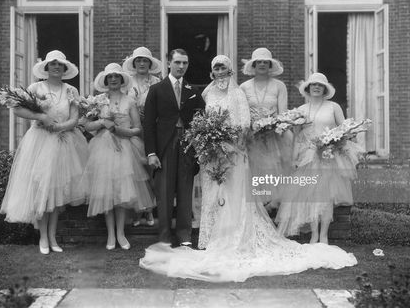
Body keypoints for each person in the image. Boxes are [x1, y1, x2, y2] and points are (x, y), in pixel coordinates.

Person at [139, 56, 357, 282]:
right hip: (212, 155)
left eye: (224, 68)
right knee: (213, 195)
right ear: (212, 72)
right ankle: (211, 238)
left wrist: (229, 143)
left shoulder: (238, 94)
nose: (220, 72)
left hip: (233, 153)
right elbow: (199, 120)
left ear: (230, 71)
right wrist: (209, 141)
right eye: (217, 68)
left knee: (234, 195)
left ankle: (235, 236)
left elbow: (244, 125)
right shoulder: (205, 94)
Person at [0, 50, 88, 254]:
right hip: (39, 142)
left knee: (56, 193)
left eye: (60, 65)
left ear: (65, 68)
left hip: (63, 141)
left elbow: (75, 118)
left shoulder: (70, 90)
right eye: (52, 64)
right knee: (42, 190)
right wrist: (41, 117)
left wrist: (59, 127)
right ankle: (43, 238)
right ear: (46, 68)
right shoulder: (35, 87)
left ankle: (53, 237)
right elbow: (17, 109)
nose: (56, 67)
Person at [276, 72, 361, 244]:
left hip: (328, 156)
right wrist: (294, 159)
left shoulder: (333, 107)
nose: (316, 87)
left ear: (324, 89)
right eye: (313, 85)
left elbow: (345, 130)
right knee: (311, 195)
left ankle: (324, 235)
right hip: (307, 156)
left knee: (326, 195)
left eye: (319, 85)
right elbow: (297, 138)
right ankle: (314, 234)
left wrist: (332, 143)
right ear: (307, 89)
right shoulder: (301, 111)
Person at [80, 63, 155, 250]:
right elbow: (86, 126)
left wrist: (121, 129)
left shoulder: (129, 101)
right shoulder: (98, 100)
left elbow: (138, 128)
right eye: (110, 77)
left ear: (122, 80)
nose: (113, 79)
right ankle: (111, 235)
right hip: (102, 149)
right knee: (107, 192)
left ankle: (121, 233)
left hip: (125, 148)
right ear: (106, 80)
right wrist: (103, 122)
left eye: (116, 76)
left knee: (122, 193)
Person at [143, 48, 205, 247]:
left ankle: (184, 234)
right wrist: (151, 152)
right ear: (169, 63)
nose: (181, 66)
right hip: (165, 145)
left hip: (187, 145)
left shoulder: (192, 91)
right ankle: (164, 235)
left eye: (185, 63)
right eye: (177, 62)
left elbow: (201, 118)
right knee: (165, 191)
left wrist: (199, 144)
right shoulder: (157, 89)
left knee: (185, 189)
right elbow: (149, 124)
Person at [240, 47, 292, 204]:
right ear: (253, 65)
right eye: (259, 62)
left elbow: (283, 113)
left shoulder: (279, 86)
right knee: (255, 172)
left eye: (265, 62)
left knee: (273, 172)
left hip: (274, 136)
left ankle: (273, 207)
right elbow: (243, 114)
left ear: (270, 65)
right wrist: (252, 128)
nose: (262, 64)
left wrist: (273, 126)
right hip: (252, 136)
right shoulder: (244, 87)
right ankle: (257, 209)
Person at [124, 47, 163, 227]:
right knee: (135, 170)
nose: (141, 63)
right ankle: (136, 212)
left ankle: (149, 211)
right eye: (138, 60)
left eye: (145, 61)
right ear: (134, 63)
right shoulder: (127, 82)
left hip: (152, 129)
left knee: (150, 170)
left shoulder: (157, 81)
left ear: (149, 63)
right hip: (133, 129)